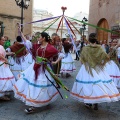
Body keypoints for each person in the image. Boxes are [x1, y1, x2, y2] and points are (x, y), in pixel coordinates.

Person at [13, 31, 60, 113]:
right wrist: (21, 33)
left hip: (43, 69)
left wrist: (52, 61)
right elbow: (27, 42)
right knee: (33, 85)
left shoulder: (50, 48)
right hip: (34, 68)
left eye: (39, 37)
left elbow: (58, 54)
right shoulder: (37, 46)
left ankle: (38, 103)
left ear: (44, 38)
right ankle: (33, 105)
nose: (38, 38)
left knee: (41, 85)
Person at [70, 33, 120, 110]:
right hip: (98, 68)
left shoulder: (86, 48)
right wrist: (102, 64)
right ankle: (96, 102)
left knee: (88, 85)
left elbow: (82, 59)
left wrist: (85, 63)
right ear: (96, 39)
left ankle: (89, 102)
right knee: (98, 84)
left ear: (89, 39)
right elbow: (106, 57)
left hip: (87, 68)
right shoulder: (100, 48)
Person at [0, 36, 15, 100]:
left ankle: (3, 94)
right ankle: (2, 95)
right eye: (3, 40)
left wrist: (10, 53)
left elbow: (4, 53)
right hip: (2, 63)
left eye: (4, 40)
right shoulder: (0, 47)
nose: (4, 41)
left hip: (3, 63)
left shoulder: (1, 46)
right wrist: (5, 60)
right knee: (3, 77)